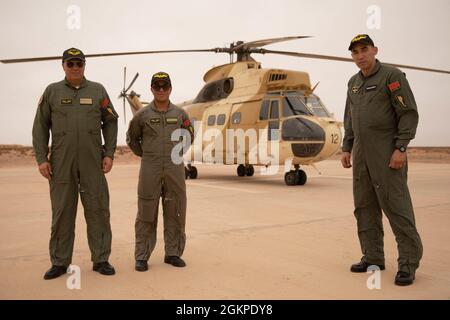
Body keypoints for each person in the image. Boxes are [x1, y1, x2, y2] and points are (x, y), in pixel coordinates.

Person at [341, 35, 423, 286]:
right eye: (355, 52)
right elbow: (350, 118)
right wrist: (347, 147)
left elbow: (407, 113)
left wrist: (401, 147)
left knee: (397, 207)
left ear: (375, 50)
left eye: (364, 50)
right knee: (364, 208)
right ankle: (373, 257)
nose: (360, 55)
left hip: (387, 154)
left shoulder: (392, 76)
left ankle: (408, 264)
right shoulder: (353, 83)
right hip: (362, 156)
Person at [32, 47, 119, 279]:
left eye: (79, 63)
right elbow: (40, 127)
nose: (75, 68)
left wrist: (109, 153)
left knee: (98, 210)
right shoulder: (52, 92)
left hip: (93, 161)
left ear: (84, 65)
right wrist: (41, 159)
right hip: (61, 162)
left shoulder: (98, 90)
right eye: (70, 64)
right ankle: (59, 262)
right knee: (62, 212)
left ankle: (101, 259)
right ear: (63, 66)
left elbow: (110, 122)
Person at [126, 72, 194, 272]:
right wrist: (148, 156)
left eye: (165, 86)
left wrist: (176, 154)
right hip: (150, 167)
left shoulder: (181, 114)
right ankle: (142, 256)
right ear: (152, 89)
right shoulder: (142, 116)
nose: (161, 89)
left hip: (175, 167)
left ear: (170, 89)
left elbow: (189, 136)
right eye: (157, 86)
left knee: (176, 210)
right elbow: (132, 139)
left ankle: (173, 253)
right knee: (146, 210)